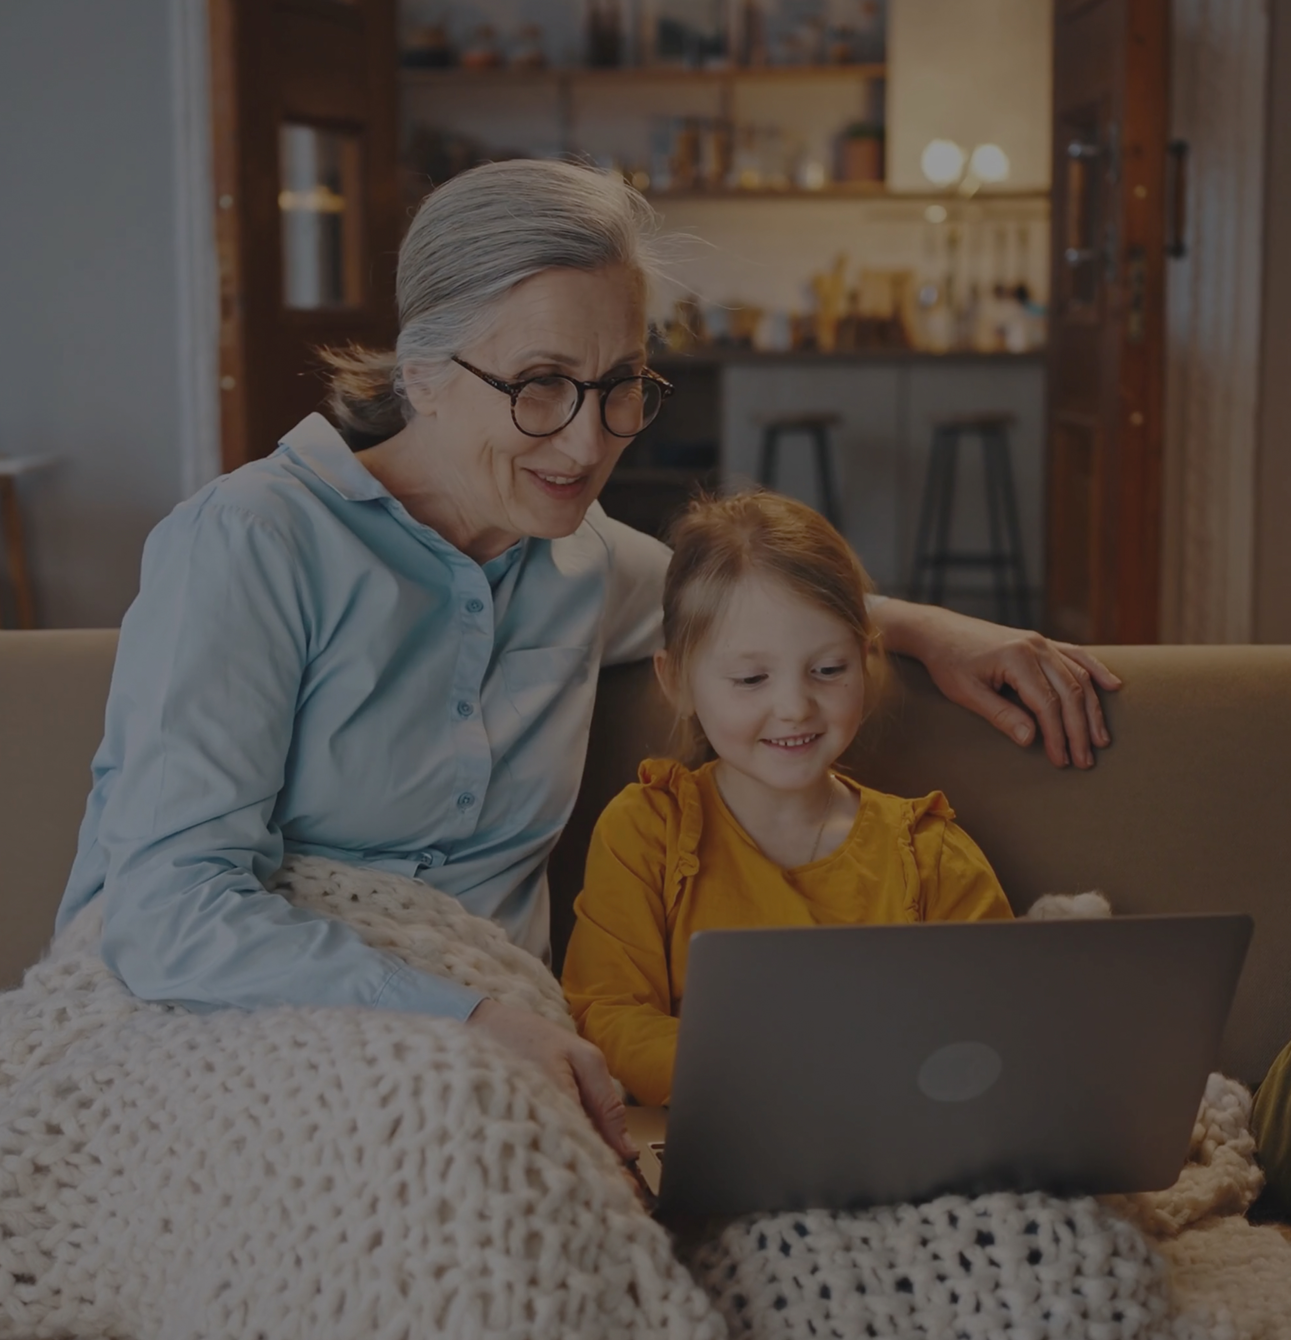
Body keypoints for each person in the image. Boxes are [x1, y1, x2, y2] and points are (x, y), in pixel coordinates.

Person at [54, 159, 1118, 1162]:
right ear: (422, 372)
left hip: (488, 1052)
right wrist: (470, 1020)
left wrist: (933, 631)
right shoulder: (251, 542)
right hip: (257, 1025)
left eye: (620, 385)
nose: (587, 442)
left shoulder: (582, 555)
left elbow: (742, 613)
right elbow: (167, 912)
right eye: (541, 384)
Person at [561, 491, 1014, 1107]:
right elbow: (607, 1018)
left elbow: (998, 1030)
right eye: (751, 679)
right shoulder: (647, 830)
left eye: (827, 670)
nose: (795, 707)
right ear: (677, 682)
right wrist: (775, 1077)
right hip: (722, 1130)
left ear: (866, 660)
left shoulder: (930, 854)